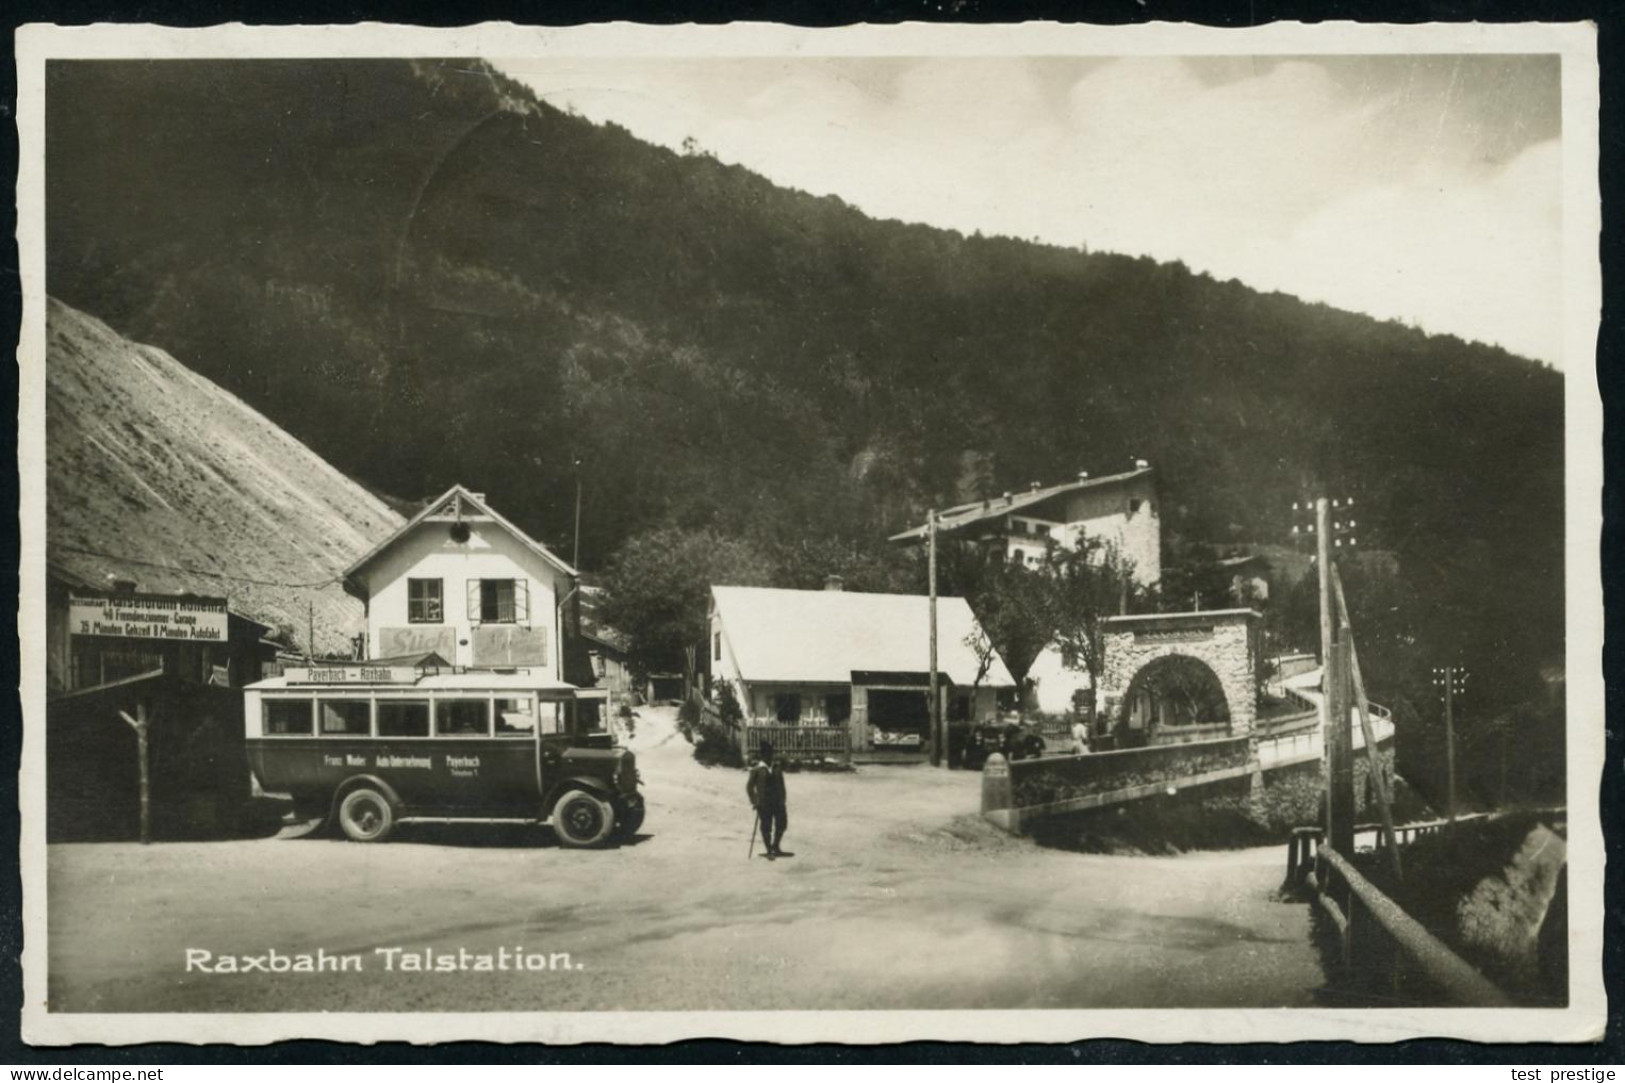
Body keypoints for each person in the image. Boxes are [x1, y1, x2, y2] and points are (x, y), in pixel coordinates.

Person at [747, 739, 789, 858]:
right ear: (762, 755)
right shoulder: (757, 769)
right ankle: (769, 849)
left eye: (770, 753)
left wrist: (783, 798)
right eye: (766, 753)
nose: (769, 756)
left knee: (782, 824)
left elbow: (782, 784)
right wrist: (755, 801)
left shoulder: (776, 767)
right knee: (766, 826)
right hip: (764, 802)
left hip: (778, 801)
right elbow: (749, 787)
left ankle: (775, 845)